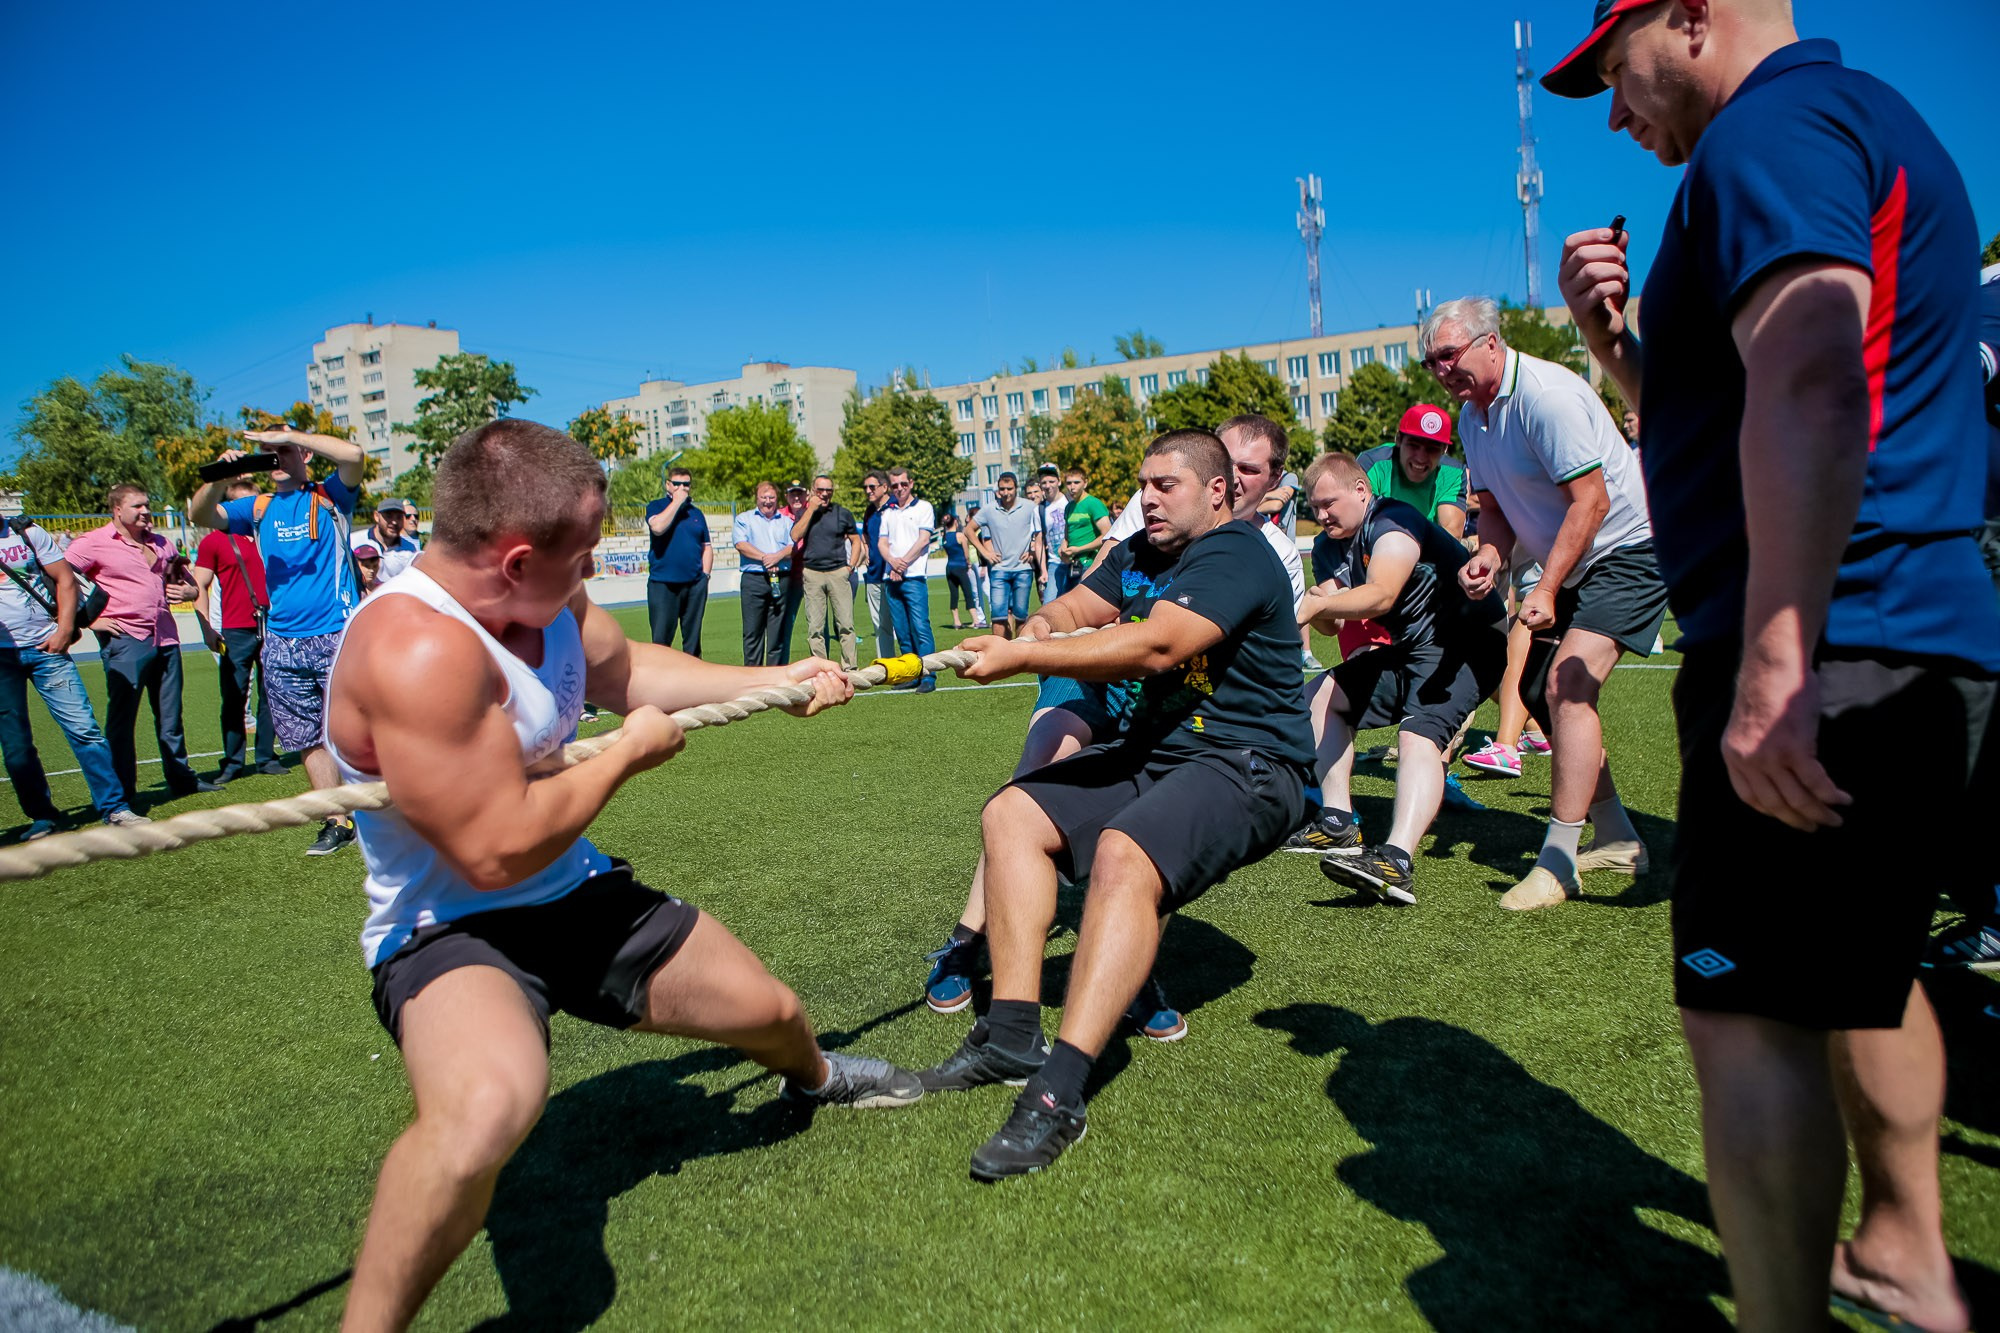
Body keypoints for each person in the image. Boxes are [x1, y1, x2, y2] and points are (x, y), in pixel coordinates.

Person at [1549, 5, 1999, 1329]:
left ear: (1688, 19)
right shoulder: (1863, 119)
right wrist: (1620, 349)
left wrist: (1772, 664)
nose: (1619, 115)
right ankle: (1907, 1252)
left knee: (1750, 1020)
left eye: (1614, 77)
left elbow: (1811, 375)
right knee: (1864, 969)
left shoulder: (1765, 133)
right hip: (1911, 628)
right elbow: (1745, 401)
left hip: (1828, 632)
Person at [322, 419, 920, 1331]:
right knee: (486, 1109)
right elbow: (494, 850)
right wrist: (623, 757)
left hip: (575, 890)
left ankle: (818, 1077)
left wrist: (773, 680)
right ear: (515, 559)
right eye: (587, 552)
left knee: (774, 1012)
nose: (596, 569)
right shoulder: (417, 648)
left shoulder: (545, 602)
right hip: (450, 926)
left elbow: (630, 668)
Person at [918, 429, 1312, 1181]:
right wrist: (1041, 625)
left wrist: (1022, 654)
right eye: (1144, 484)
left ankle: (1059, 1094)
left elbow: (1160, 645)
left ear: (1220, 490)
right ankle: (1010, 1035)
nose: (1149, 498)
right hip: (1162, 752)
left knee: (1127, 854)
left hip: (1251, 765)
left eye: (1167, 484)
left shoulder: (1236, 551)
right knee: (1011, 814)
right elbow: (1075, 606)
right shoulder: (1137, 551)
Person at [1423, 294, 1665, 910]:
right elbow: (1498, 514)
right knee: (1537, 693)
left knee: (1567, 689)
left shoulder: (1546, 396)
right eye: (1431, 363)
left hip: (1629, 549)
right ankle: (1615, 834)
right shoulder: (1474, 417)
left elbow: (1593, 503)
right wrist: (1489, 555)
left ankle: (1558, 861)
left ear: (1491, 343)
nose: (1441, 371)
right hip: (1578, 555)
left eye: (1449, 355)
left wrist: (1548, 589)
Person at [1298, 454, 1509, 905]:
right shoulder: (1328, 546)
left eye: (1329, 503)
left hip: (1467, 642)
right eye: (1314, 508)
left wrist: (1315, 605)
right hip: (1413, 648)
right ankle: (1337, 822)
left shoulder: (1392, 518)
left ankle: (1397, 859)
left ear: (1361, 491)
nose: (1322, 515)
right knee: (1320, 695)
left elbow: (1380, 594)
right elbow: (1333, 623)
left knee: (1419, 734)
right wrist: (1317, 606)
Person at [193, 427, 366, 855]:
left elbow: (354, 455)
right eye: (266, 453)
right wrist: (220, 476)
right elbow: (200, 515)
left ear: (305, 454)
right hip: (282, 641)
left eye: (282, 452)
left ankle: (381, 809)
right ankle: (336, 819)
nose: (273, 459)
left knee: (359, 730)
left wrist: (291, 435)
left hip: (336, 634)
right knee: (306, 736)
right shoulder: (258, 506)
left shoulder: (329, 495)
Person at [65, 484, 214, 808]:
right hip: (125, 640)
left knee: (171, 718)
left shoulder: (161, 542)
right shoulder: (94, 543)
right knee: (122, 721)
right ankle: (123, 794)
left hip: (167, 638)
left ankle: (181, 780)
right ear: (117, 510)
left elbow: (187, 583)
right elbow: (60, 579)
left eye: (147, 505)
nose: (146, 512)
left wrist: (189, 594)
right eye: (137, 507)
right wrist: (88, 621)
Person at [0, 513, 146, 836]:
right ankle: (43, 816)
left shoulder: (25, 532)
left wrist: (65, 629)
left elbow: (65, 579)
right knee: (15, 744)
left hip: (47, 650)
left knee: (84, 730)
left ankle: (115, 808)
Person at [190, 477, 283, 783]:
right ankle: (232, 762)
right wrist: (206, 627)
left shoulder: (271, 534)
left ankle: (266, 757)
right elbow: (198, 585)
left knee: (271, 694)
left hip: (274, 623)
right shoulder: (215, 540)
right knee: (233, 695)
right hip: (235, 628)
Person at [791, 473, 863, 669]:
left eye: (828, 491)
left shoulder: (843, 513)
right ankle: (823, 668)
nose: (824, 494)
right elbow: (795, 535)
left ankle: (850, 667)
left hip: (838, 572)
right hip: (812, 574)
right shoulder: (804, 513)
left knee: (846, 625)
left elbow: (856, 540)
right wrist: (811, 509)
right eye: (820, 490)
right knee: (815, 628)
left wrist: (851, 566)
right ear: (813, 491)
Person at [877, 467, 937, 692]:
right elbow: (882, 543)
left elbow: (923, 540)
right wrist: (893, 562)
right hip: (891, 577)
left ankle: (928, 675)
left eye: (903, 484)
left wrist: (902, 564)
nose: (899, 489)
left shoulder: (924, 507)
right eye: (895, 485)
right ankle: (911, 674)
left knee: (920, 626)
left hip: (913, 576)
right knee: (901, 630)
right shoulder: (888, 511)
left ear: (911, 483)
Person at [645, 465, 712, 656]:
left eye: (686, 484)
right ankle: (661, 683)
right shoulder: (656, 506)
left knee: (692, 643)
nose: (682, 488)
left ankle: (693, 682)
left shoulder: (696, 513)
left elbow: (706, 546)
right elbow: (657, 527)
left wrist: (705, 576)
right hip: (663, 584)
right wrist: (676, 503)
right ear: (668, 485)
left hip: (694, 585)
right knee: (661, 642)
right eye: (677, 484)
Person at [972, 471, 1044, 640]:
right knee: (998, 617)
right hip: (999, 570)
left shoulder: (1029, 507)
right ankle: (1000, 655)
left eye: (1009, 488)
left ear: (1016, 488)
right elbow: (969, 530)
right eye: (1002, 489)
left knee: (1020, 617)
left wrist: (1033, 551)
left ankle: (1019, 655)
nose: (1006, 492)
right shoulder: (989, 509)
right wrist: (985, 553)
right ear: (998, 490)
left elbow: (1040, 533)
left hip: (1023, 569)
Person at [731, 482, 794, 667]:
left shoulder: (786, 521)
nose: (768, 502)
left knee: (777, 634)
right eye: (763, 497)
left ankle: (773, 677)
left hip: (781, 580)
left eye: (771, 498)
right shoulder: (744, 519)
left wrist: (778, 557)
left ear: (777, 499)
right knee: (752, 633)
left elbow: (793, 547)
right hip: (755, 580)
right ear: (756, 498)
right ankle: (753, 676)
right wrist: (766, 559)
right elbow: (741, 544)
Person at [859, 470, 899, 660]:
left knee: (903, 624)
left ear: (884, 487)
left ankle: (914, 667)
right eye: (865, 487)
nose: (868, 491)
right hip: (874, 575)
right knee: (880, 626)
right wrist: (866, 551)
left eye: (872, 487)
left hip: (896, 575)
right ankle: (888, 666)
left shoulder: (896, 507)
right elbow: (865, 535)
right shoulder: (869, 511)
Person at [1055, 468, 1110, 591]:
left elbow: (1107, 536)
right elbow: (1067, 537)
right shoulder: (1069, 507)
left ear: (1085, 483)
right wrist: (1063, 548)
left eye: (1076, 482)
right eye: (1068, 483)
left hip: (1090, 564)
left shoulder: (1094, 504)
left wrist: (1078, 549)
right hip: (1073, 564)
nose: (1072, 487)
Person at [353, 498, 422, 581]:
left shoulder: (409, 549)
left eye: (399, 517)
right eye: (389, 516)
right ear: (376, 516)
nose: (394, 522)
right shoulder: (355, 541)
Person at [938, 512, 980, 631]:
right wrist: (968, 563)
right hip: (960, 567)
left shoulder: (944, 537)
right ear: (955, 522)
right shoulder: (960, 536)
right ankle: (975, 620)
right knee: (968, 593)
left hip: (950, 568)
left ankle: (956, 621)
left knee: (954, 595)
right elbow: (966, 554)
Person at [1033, 467, 1067, 605]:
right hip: (1054, 562)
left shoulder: (1069, 502)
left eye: (1051, 481)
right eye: (1044, 483)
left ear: (1059, 482)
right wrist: (1043, 570)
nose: (1048, 486)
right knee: (1049, 604)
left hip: (1075, 561)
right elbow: (1039, 542)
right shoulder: (1039, 510)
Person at [961, 500, 991, 629]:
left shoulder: (981, 532)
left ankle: (994, 617)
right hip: (971, 565)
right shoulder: (967, 533)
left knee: (987, 591)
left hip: (980, 564)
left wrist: (984, 566)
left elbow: (984, 549)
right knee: (975, 593)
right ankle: (980, 618)